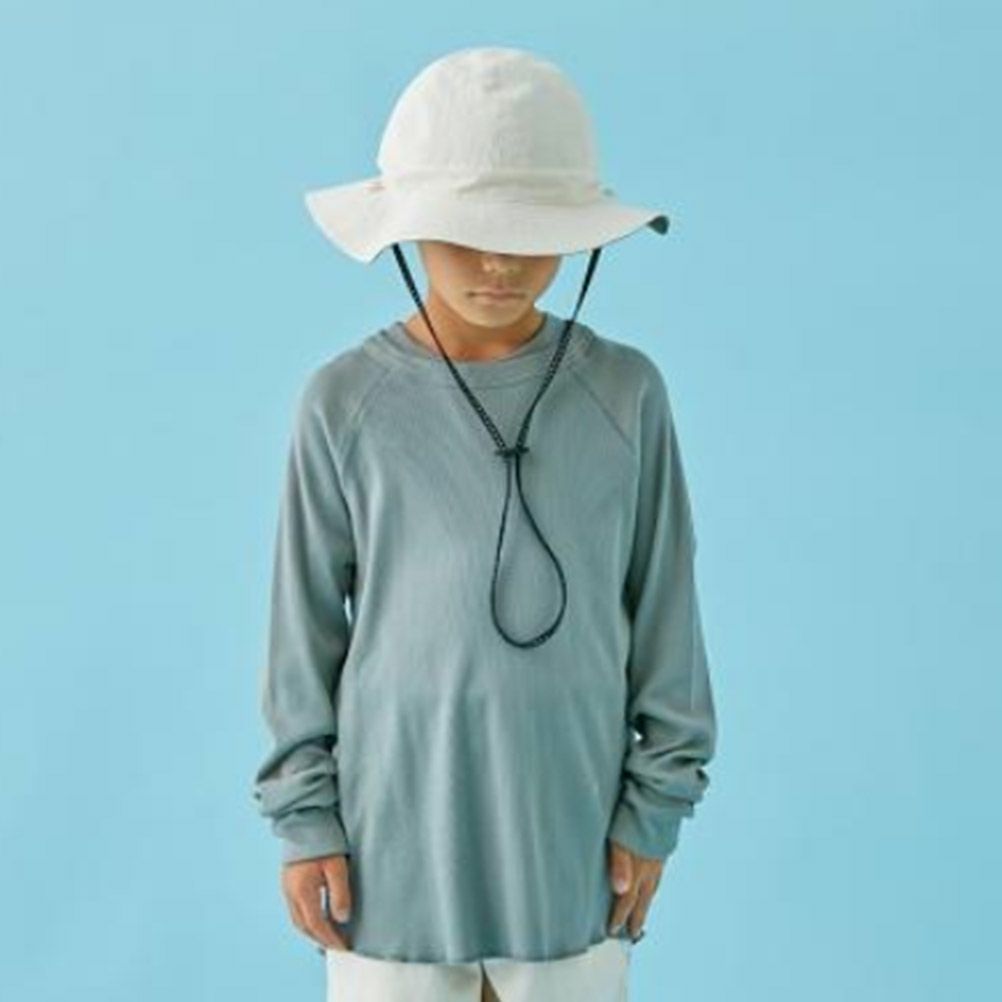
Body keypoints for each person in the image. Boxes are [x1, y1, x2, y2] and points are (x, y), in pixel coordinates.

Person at [251, 46, 718, 1002]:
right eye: (468, 234)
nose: (501, 263)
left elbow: (666, 611)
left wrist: (654, 808)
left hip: (569, 839)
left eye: (532, 233)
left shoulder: (625, 395)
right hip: (392, 845)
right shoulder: (345, 403)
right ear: (410, 227)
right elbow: (304, 633)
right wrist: (306, 823)